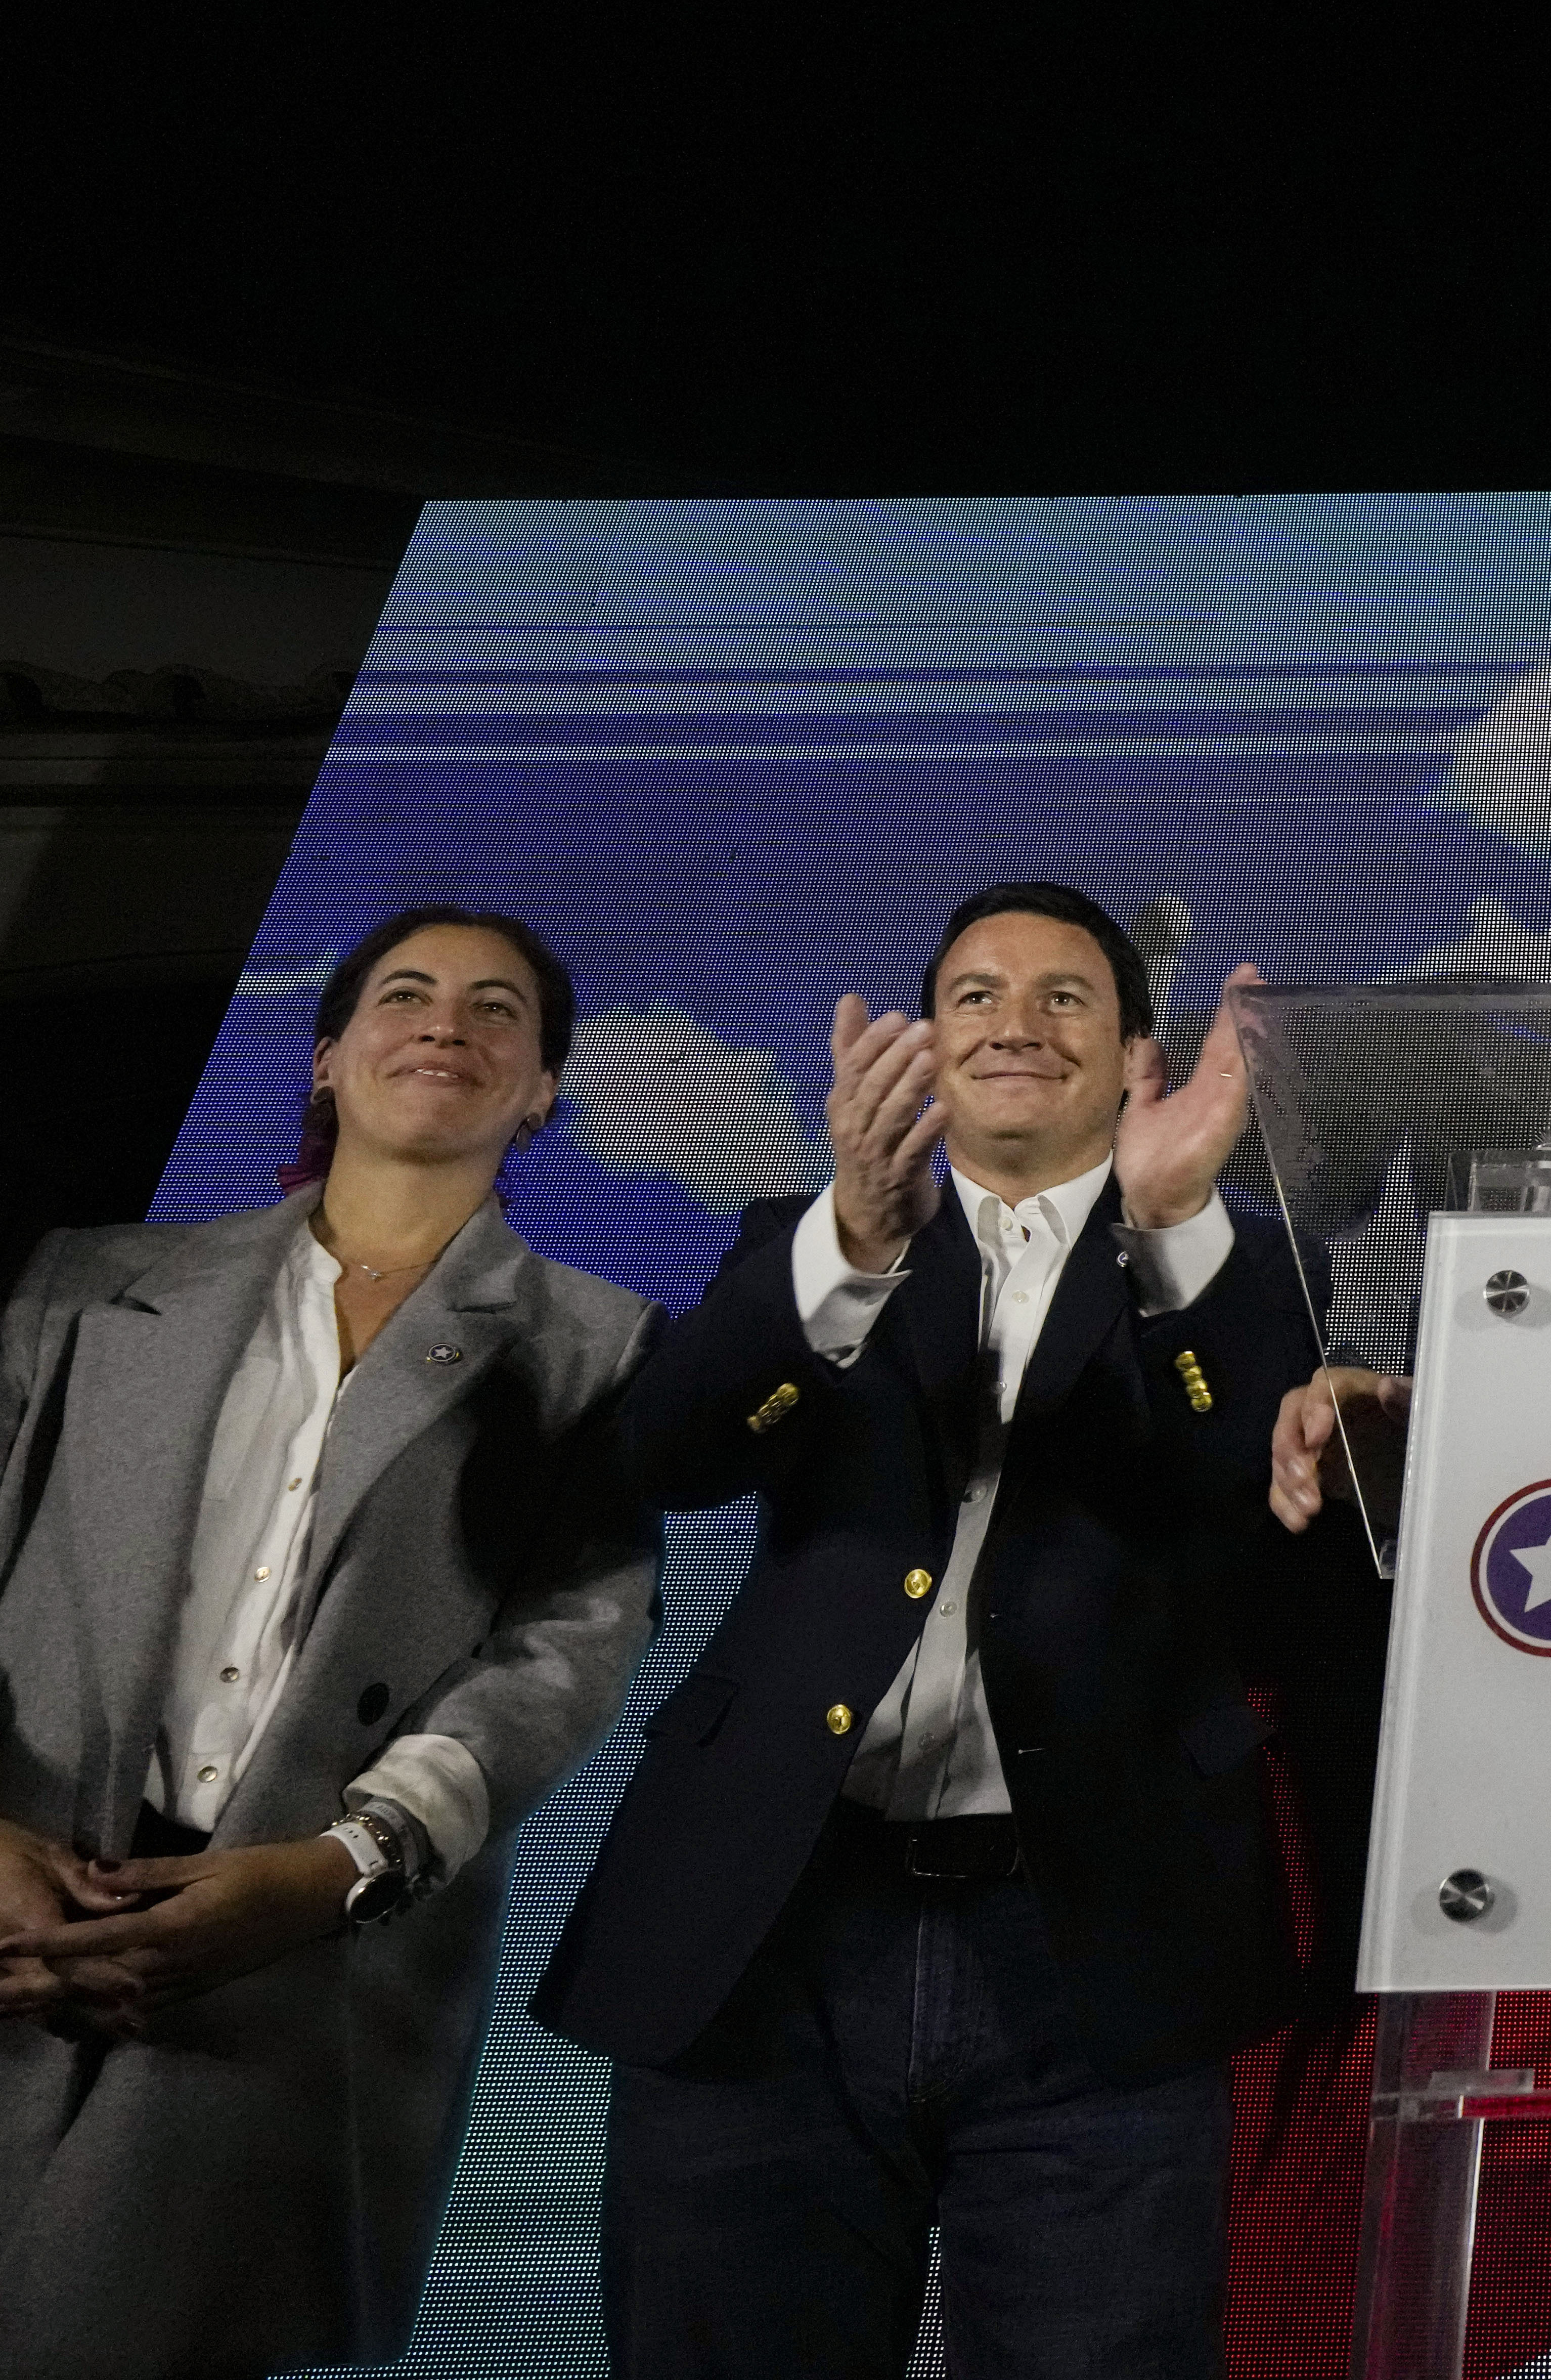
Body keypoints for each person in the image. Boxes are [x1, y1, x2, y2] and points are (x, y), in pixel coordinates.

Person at [536, 881, 1373, 2380]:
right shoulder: (795, 1246)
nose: (1017, 1020)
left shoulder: (1243, 1273)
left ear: (1136, 1058)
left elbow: (1261, 1502)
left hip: (1096, 1956)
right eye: (976, 993)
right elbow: (664, 1455)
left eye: (1069, 996)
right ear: (924, 1044)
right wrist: (855, 1234)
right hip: (771, 1936)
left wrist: (1172, 1218)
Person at [0, 904, 663, 2380]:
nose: (448, 1022)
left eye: (499, 1010)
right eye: (407, 993)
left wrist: (341, 1867)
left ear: (545, 1085)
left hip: (290, 1957)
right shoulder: (84, 1285)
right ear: (327, 1053)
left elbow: (571, 1640)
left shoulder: (605, 1344)